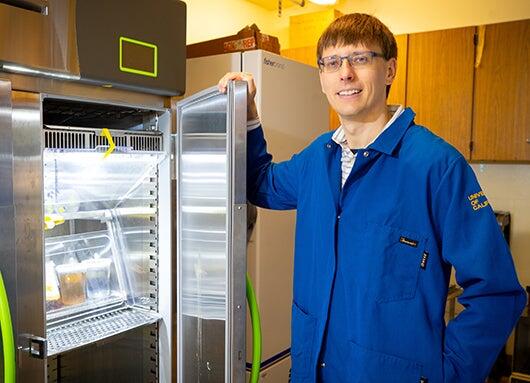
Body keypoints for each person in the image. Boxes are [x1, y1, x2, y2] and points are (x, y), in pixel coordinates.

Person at [218, 13, 526, 383]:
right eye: (331, 62)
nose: (344, 73)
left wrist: (449, 374)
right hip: (310, 368)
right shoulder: (318, 157)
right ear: (322, 77)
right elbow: (260, 183)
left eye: (360, 58)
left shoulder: (437, 166)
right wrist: (248, 116)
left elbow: (497, 293)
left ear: (390, 70)